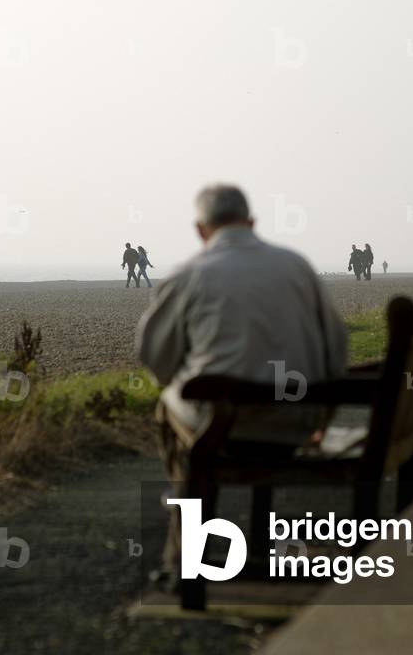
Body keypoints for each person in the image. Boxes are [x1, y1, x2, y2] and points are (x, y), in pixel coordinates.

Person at [135, 184, 347, 587]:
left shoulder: (189, 274)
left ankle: (185, 555)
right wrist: (324, 414)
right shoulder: (297, 267)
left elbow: (154, 355)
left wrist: (181, 379)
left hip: (219, 432)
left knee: (169, 405)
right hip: (293, 424)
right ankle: (254, 543)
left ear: (201, 230)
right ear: (251, 222)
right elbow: (335, 349)